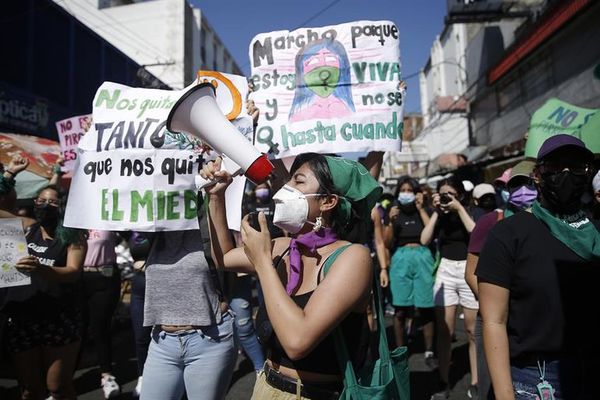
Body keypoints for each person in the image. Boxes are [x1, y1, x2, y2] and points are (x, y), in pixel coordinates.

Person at [206, 153, 381, 399]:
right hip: (266, 387)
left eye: (298, 182)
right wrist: (216, 196)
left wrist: (263, 263)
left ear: (328, 201)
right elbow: (223, 257)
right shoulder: (282, 247)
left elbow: (297, 341)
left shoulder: (353, 258)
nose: (284, 190)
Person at [477, 134, 600, 399]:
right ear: (537, 174)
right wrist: (504, 393)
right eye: (555, 167)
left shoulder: (596, 230)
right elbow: (493, 321)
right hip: (535, 380)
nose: (566, 174)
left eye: (577, 167)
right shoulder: (508, 234)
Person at [1, 159, 86, 400]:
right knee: (30, 390)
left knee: (57, 387)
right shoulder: (26, 227)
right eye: (40, 200)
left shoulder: (73, 236)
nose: (44, 205)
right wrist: (8, 174)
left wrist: (40, 269)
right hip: (23, 316)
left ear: (62, 206)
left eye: (51, 201)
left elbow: (73, 272)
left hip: (58, 317)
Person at [464, 160, 537, 400]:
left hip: (530, 325)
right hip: (493, 320)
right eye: (515, 184)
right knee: (492, 388)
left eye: (528, 183)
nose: (522, 190)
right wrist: (496, 306)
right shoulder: (489, 222)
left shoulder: (548, 223)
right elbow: (471, 273)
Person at [421, 177, 477, 400]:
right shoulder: (439, 215)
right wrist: (436, 211)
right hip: (445, 270)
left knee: (473, 331)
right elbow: (425, 239)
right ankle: (443, 380)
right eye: (442, 193)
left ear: (459, 195)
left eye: (449, 194)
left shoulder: (468, 211)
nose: (445, 198)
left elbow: (475, 232)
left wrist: (459, 208)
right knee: (445, 331)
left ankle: (476, 380)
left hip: (468, 268)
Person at [382, 176, 436, 369]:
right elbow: (387, 243)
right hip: (400, 258)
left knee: (425, 305)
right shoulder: (394, 212)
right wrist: (390, 222)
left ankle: (429, 349)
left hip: (423, 255)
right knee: (400, 308)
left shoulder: (425, 210)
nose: (406, 193)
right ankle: (400, 350)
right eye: (403, 190)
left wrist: (422, 208)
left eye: (409, 190)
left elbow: (431, 232)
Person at [80, 229, 122, 398]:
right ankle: (62, 380)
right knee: (78, 329)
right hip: (78, 278)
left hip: (105, 275)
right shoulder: (73, 220)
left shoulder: (108, 219)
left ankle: (107, 375)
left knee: (100, 327)